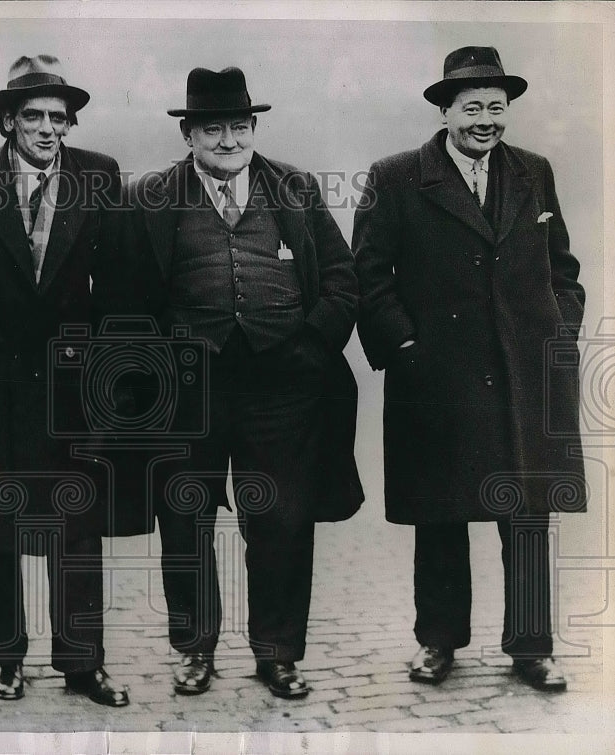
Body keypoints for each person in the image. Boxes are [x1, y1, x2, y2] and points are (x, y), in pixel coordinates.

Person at [122, 66, 363, 699]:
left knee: (281, 516)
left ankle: (278, 653)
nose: (228, 140)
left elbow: (341, 278)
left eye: (238, 126)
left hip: (283, 385)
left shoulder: (295, 189)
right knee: (186, 517)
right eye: (212, 129)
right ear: (189, 135)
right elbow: (127, 298)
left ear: (253, 128)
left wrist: (311, 347)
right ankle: (195, 649)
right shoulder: (153, 197)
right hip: (188, 385)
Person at [353, 46, 586, 691]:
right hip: (438, 380)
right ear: (444, 110)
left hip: (522, 377)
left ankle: (532, 648)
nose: (486, 119)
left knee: (528, 513)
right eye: (472, 106)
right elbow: (369, 277)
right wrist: (405, 352)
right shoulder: (396, 176)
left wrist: (559, 328)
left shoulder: (534, 171)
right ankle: (439, 643)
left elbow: (561, 266)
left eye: (497, 106)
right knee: (441, 515)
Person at [0, 54, 130, 707]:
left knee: (79, 524)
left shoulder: (99, 176)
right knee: (1, 526)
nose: (47, 128)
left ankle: (82, 662)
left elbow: (119, 284)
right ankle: (5, 657)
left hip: (73, 385)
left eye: (58, 117)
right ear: (8, 120)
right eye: (33, 115)